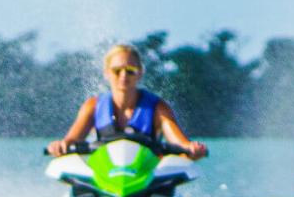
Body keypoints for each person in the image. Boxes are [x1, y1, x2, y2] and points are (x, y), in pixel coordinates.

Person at [46, 44, 208, 160]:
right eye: (117, 71)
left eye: (130, 71)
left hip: (147, 181)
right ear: (106, 73)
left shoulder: (158, 108)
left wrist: (191, 149)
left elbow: (180, 143)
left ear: (140, 73)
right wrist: (60, 146)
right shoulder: (93, 106)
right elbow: (71, 140)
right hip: (106, 179)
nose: (123, 76)